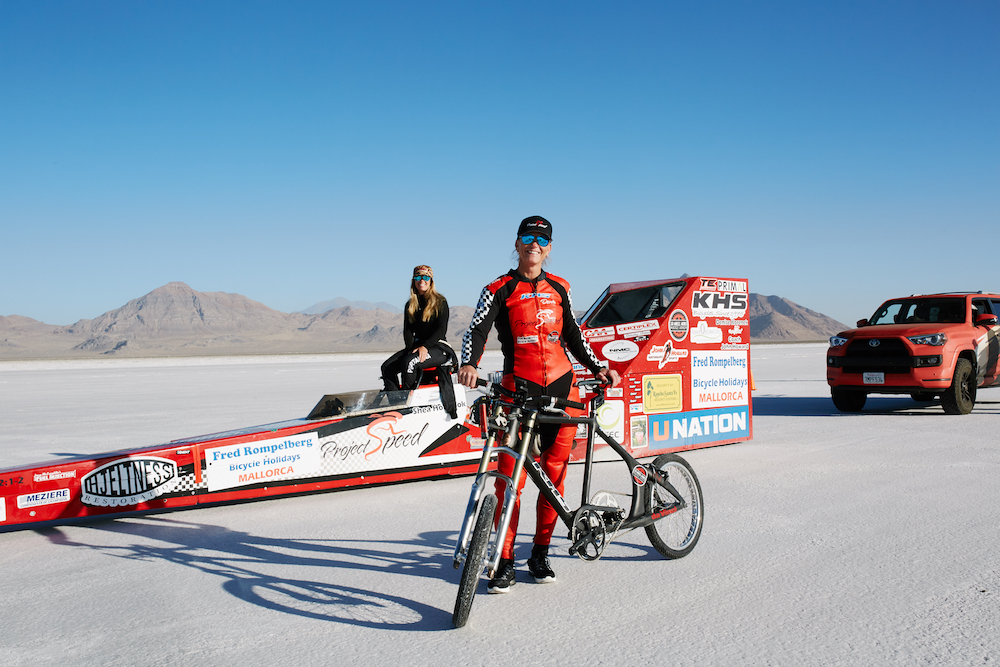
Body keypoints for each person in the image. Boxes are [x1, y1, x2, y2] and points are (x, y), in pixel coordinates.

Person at [458, 215, 620, 593]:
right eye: (528, 237)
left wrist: (599, 367)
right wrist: (469, 364)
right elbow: (477, 330)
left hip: (564, 392)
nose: (535, 244)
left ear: (549, 248)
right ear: (517, 243)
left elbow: (574, 335)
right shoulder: (498, 288)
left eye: (542, 239)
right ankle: (504, 561)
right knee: (509, 480)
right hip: (518, 393)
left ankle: (540, 554)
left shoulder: (560, 286)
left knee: (554, 478)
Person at [381, 265, 451, 391]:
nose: (421, 280)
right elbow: (407, 331)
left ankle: (408, 398)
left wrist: (425, 346)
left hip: (438, 347)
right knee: (387, 367)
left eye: (426, 277)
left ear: (431, 281)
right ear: (414, 281)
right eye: (418, 277)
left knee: (409, 363)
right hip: (417, 346)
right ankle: (396, 399)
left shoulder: (440, 302)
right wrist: (409, 349)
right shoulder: (410, 305)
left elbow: (441, 329)